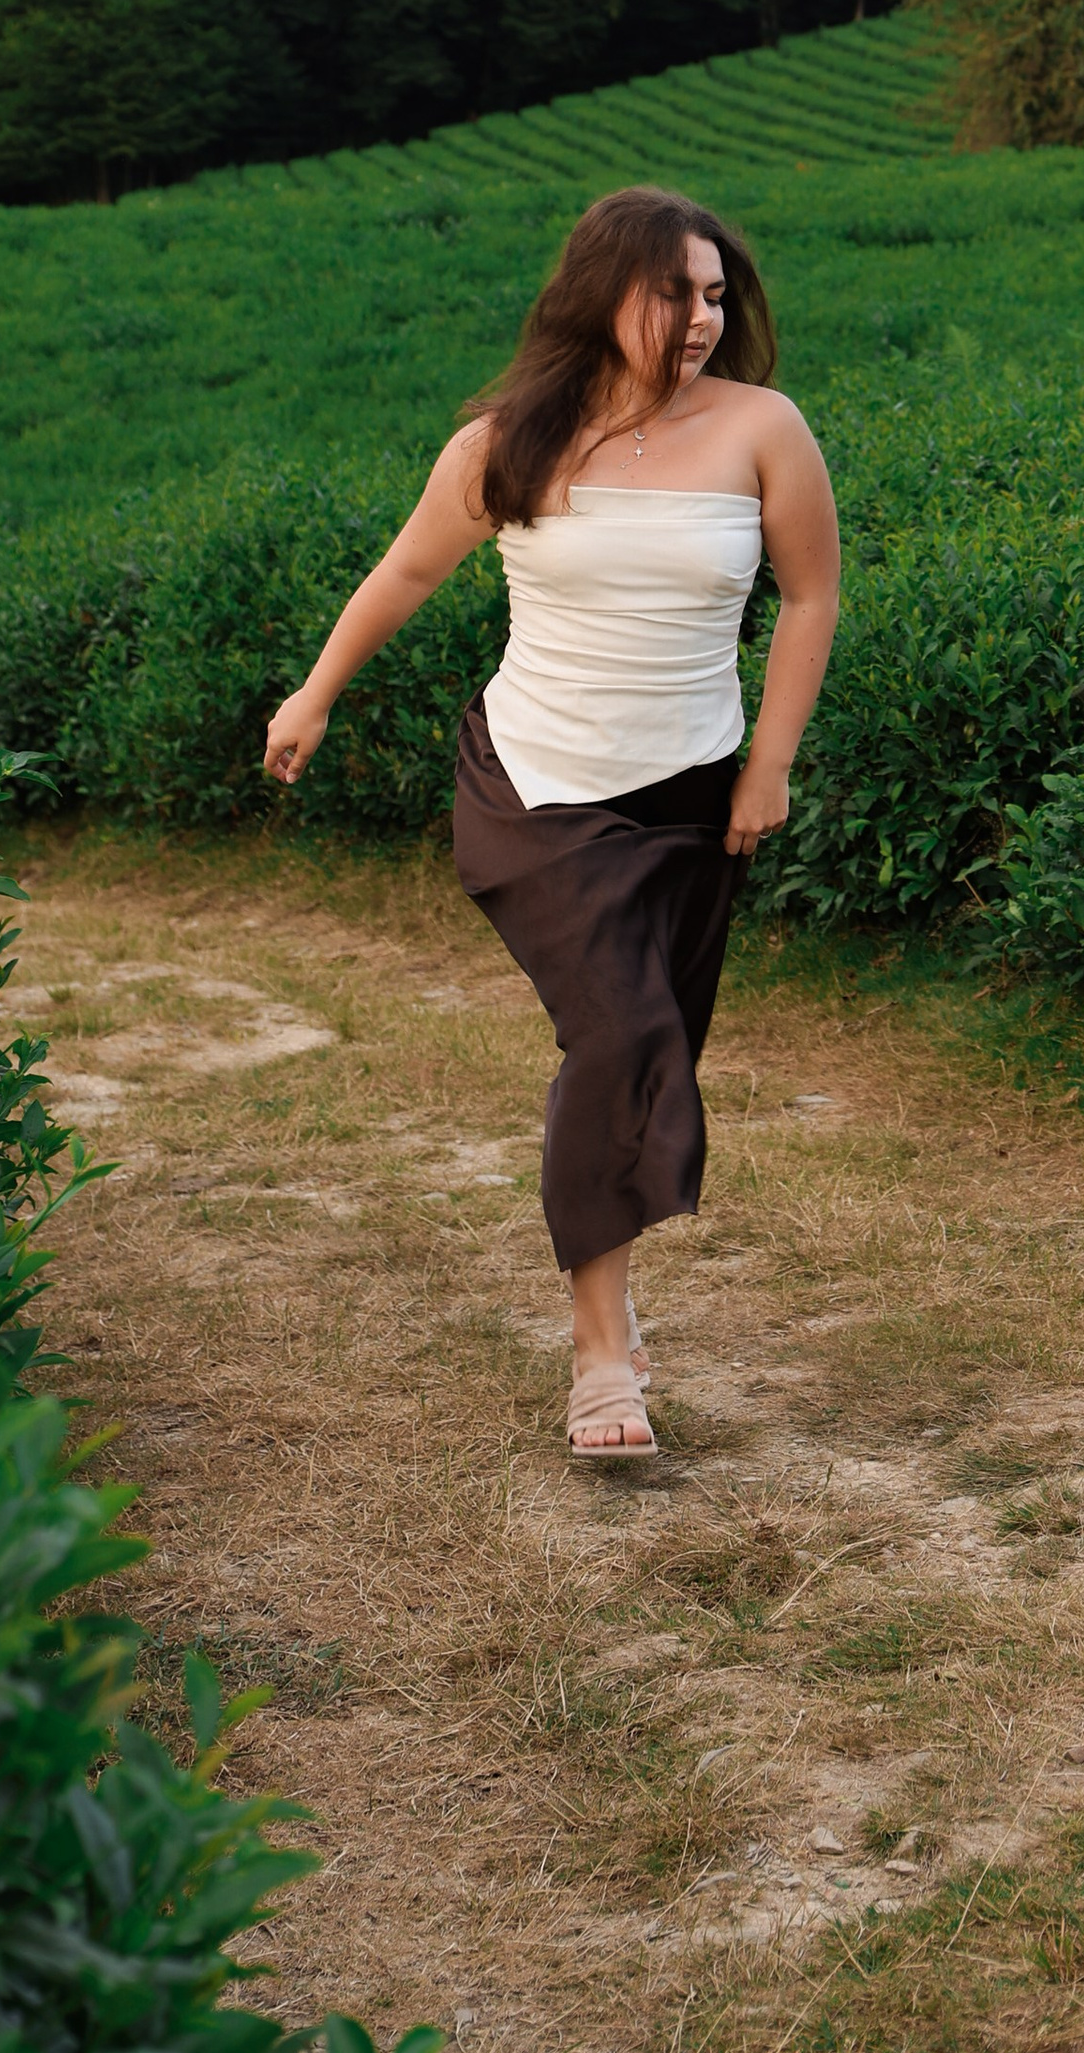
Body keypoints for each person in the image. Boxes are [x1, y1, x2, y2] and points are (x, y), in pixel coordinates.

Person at [262, 186, 841, 1464]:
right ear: (601, 293)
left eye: (715, 293)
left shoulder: (764, 428)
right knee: (620, 1033)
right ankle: (599, 1349)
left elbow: (811, 597)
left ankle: (610, 1315)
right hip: (537, 784)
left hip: (692, 793)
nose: (702, 316)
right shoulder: (507, 442)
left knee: (655, 1045)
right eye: (673, 292)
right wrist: (315, 694)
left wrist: (769, 766)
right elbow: (409, 569)